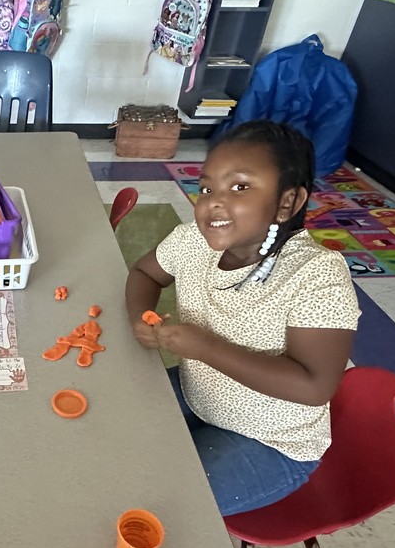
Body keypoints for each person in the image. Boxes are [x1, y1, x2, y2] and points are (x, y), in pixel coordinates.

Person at [125, 120, 360, 516]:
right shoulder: (191, 241)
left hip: (271, 440)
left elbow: (313, 386)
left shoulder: (317, 274)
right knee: (107, 439)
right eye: (206, 188)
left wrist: (207, 347)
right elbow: (145, 273)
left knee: (158, 504)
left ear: (288, 202)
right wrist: (140, 318)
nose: (214, 202)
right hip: (197, 395)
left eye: (240, 187)